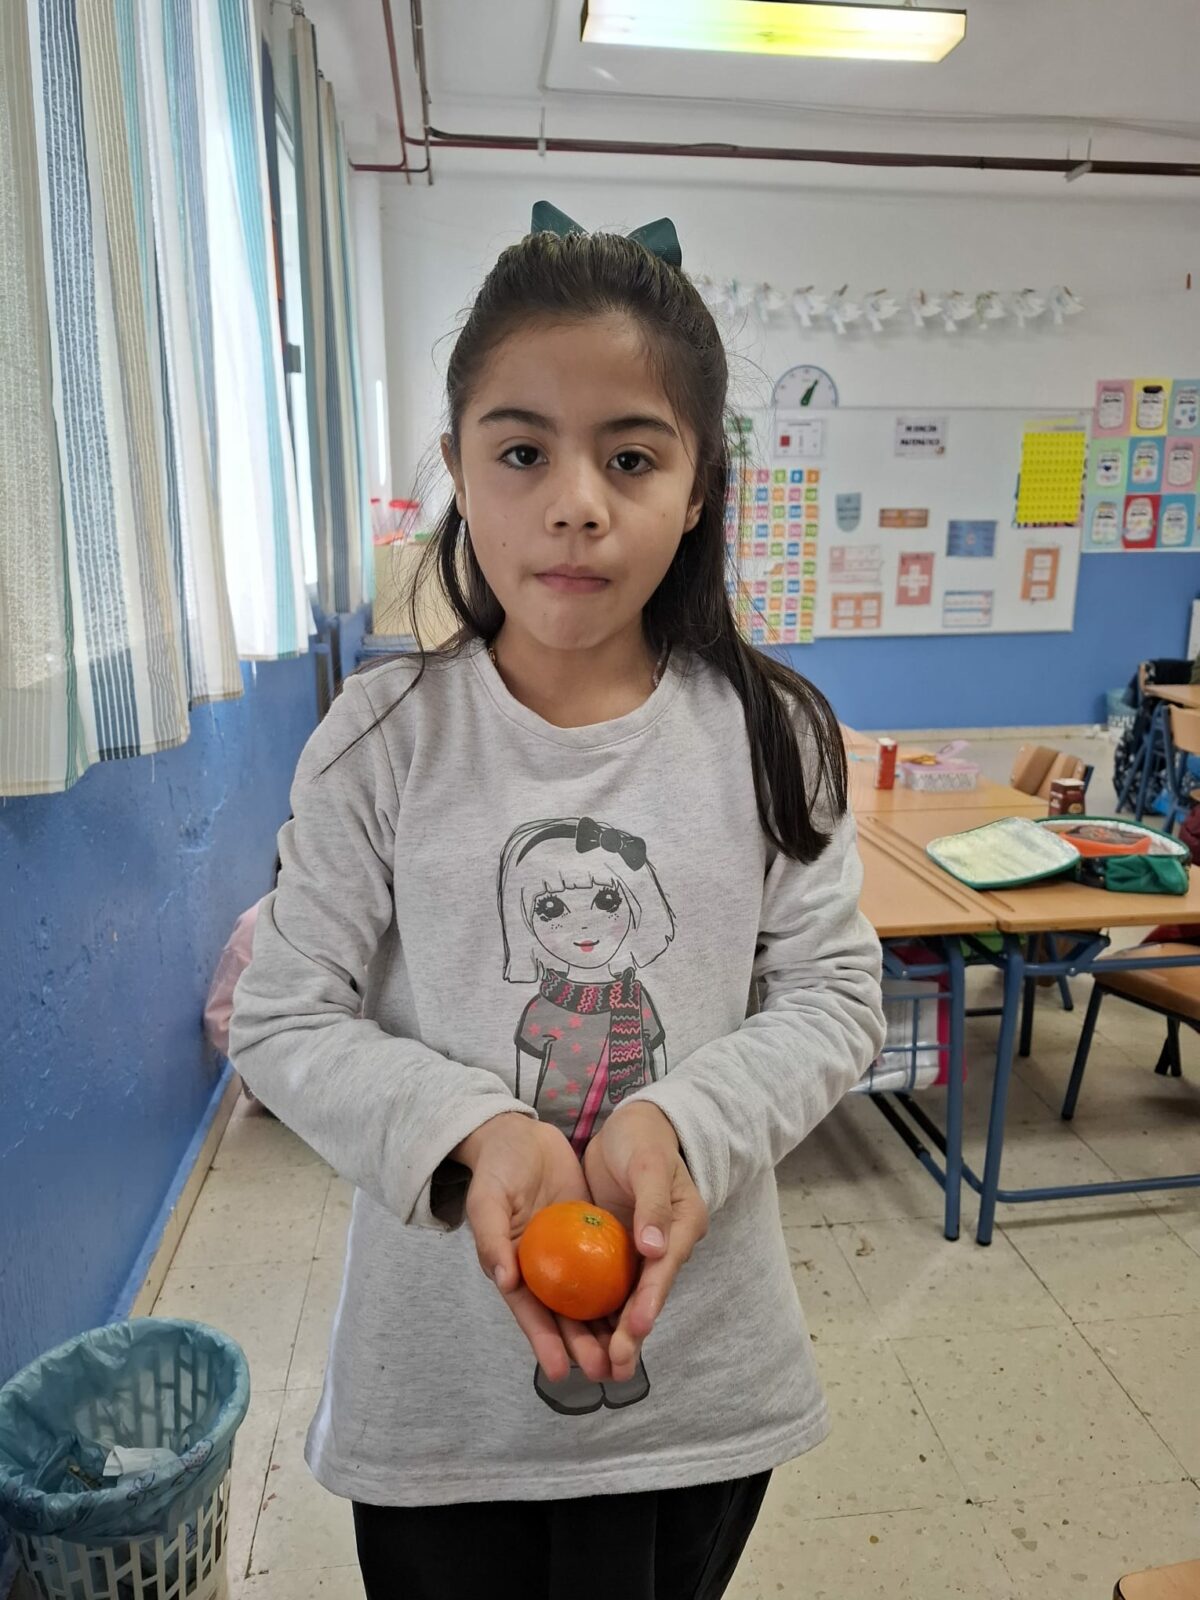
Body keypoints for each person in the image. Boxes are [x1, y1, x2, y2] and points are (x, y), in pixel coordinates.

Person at [230, 201, 885, 1600]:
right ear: (459, 470)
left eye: (631, 455)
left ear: (699, 487)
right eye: (522, 450)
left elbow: (835, 996)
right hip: (442, 1406)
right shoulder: (379, 739)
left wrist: (679, 1121)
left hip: (700, 1387)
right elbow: (280, 1015)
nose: (576, 499)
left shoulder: (774, 736)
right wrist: (475, 1132)